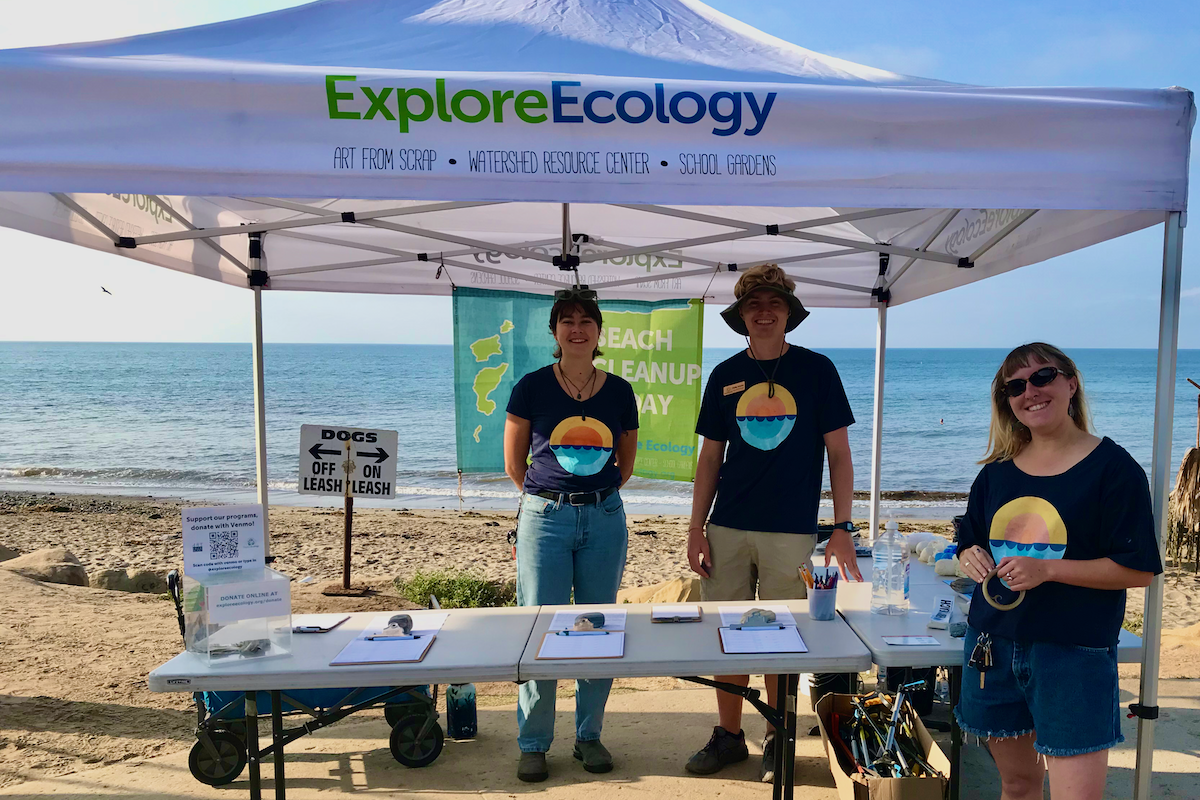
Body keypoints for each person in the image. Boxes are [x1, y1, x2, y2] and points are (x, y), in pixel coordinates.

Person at [956, 343, 1161, 800]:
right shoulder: (995, 474)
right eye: (1015, 386)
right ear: (1007, 402)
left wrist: (1048, 568)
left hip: (1073, 654)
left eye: (1042, 377)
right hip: (992, 647)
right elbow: (968, 539)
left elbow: (1137, 570)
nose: (1030, 391)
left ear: (1071, 383)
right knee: (1017, 786)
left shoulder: (1114, 469)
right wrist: (968, 554)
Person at [684, 264, 862, 781]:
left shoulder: (817, 370)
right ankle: (728, 736)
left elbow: (840, 454)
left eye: (774, 304)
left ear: (789, 312)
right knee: (727, 634)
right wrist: (695, 528)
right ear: (741, 315)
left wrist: (843, 528)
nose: (764, 313)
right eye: (754, 305)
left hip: (791, 530)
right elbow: (710, 458)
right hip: (727, 526)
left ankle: (777, 738)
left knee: (782, 638)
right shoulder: (724, 375)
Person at [503, 286, 639, 783]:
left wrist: (593, 499)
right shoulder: (531, 387)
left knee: (597, 627)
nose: (577, 329)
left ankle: (589, 736)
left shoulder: (619, 391)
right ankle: (534, 743)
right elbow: (514, 464)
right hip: (545, 519)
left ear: (599, 332)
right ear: (555, 331)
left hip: (604, 517)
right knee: (539, 630)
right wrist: (551, 501)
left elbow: (625, 462)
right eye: (568, 321)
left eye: (586, 321)